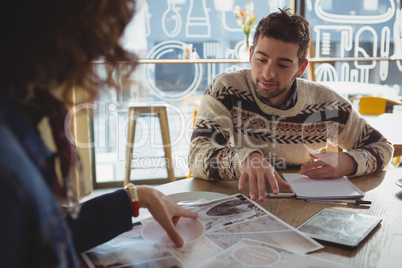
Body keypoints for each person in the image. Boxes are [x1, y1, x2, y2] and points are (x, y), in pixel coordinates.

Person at [0, 0, 197, 267]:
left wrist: (137, 197)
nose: (101, 53)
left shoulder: (18, 121)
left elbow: (52, 231)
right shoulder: (10, 170)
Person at [189, 8, 393, 202]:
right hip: (241, 202)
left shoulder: (330, 106)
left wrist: (349, 163)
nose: (268, 73)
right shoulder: (227, 89)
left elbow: (382, 147)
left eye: (283, 65)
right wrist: (243, 159)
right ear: (250, 54)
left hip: (304, 207)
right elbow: (197, 155)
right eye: (261, 59)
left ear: (301, 68)